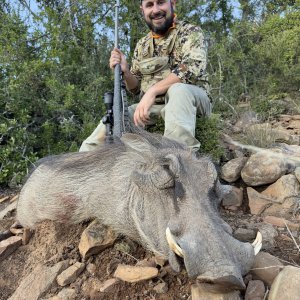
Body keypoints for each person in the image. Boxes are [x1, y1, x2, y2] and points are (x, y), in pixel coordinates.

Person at [79, 0, 212, 152]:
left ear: (172, 4)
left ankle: (179, 158)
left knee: (178, 90)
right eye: (149, 5)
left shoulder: (190, 31)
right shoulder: (142, 44)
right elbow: (135, 88)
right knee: (121, 114)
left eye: (160, 3)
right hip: (155, 107)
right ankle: (80, 161)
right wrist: (126, 71)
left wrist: (152, 91)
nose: (155, 10)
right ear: (142, 10)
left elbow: (192, 68)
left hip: (192, 100)